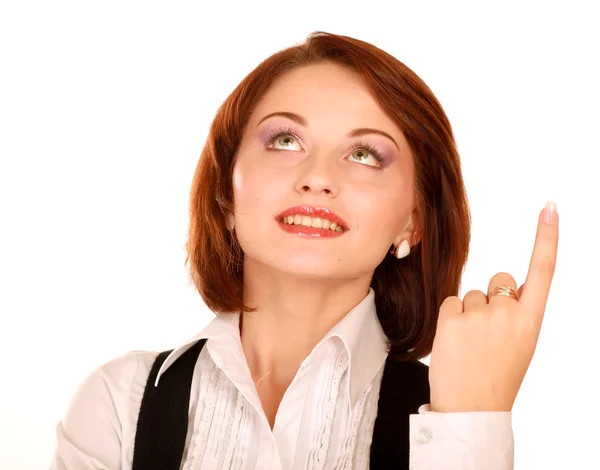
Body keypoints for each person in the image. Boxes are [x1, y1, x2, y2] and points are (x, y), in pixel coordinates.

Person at [51, 31, 559, 469]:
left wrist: (470, 429)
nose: (317, 178)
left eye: (364, 154)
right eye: (285, 141)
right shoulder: (120, 405)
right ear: (227, 192)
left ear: (414, 220)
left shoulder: (450, 418)